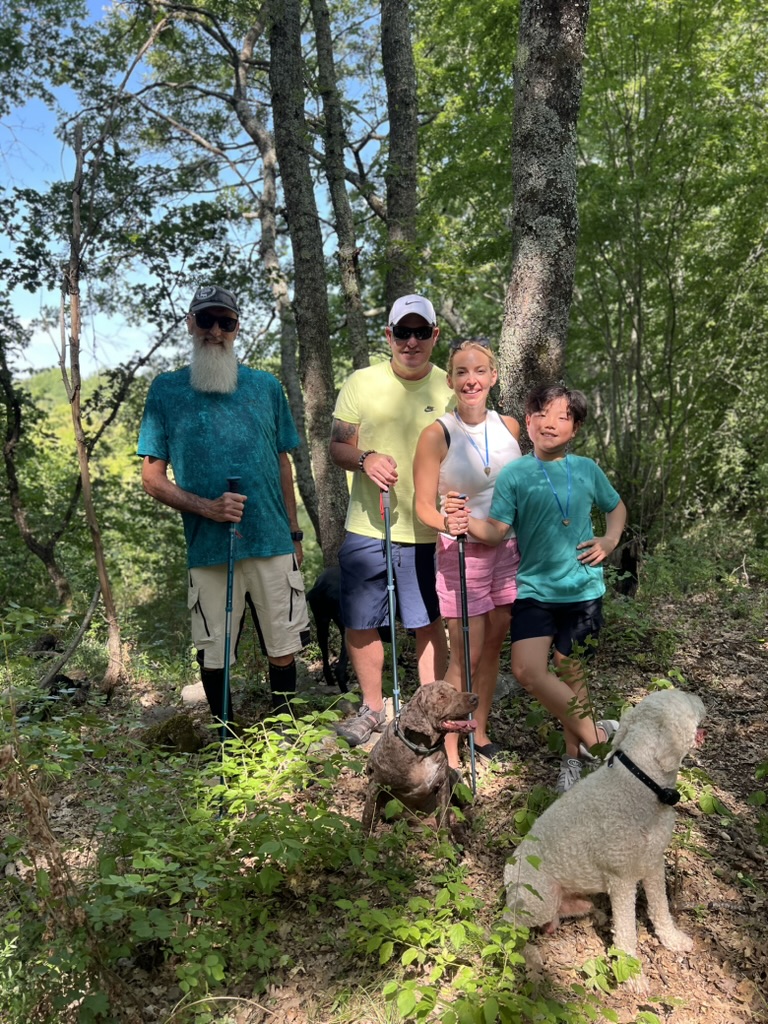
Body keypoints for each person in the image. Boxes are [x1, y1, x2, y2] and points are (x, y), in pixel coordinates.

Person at [137, 284, 310, 726]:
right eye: (206, 320)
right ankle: (226, 736)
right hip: (209, 547)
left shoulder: (265, 386)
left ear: (237, 328)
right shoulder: (166, 390)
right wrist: (207, 508)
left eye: (226, 322)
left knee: (284, 646)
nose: (215, 331)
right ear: (190, 324)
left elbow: (282, 462)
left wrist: (294, 533)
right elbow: (151, 479)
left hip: (272, 540)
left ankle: (284, 730)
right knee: (214, 653)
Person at [454, 384, 627, 793]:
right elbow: (495, 531)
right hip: (534, 590)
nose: (551, 423)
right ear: (528, 422)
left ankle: (573, 759)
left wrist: (609, 540)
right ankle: (598, 739)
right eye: (542, 414)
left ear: (575, 428)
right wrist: (462, 520)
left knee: (570, 672)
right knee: (527, 669)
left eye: (563, 417)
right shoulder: (515, 474)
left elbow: (615, 507)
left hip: (583, 590)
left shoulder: (586, 469)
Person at [330, 294, 453, 745]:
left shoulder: (452, 387)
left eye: (421, 332)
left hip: (429, 527)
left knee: (428, 621)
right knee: (361, 620)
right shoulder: (361, 383)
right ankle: (372, 708)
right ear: (388, 335)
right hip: (369, 525)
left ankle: (428, 713)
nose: (411, 341)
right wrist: (365, 458)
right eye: (403, 332)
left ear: (434, 336)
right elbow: (337, 448)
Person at [413, 338, 522, 770]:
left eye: (479, 371)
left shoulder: (510, 427)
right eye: (461, 372)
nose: (471, 380)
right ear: (451, 380)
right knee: (465, 655)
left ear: (493, 377)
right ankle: (449, 751)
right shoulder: (437, 434)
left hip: (508, 549)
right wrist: (448, 522)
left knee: (493, 646)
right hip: (463, 552)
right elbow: (423, 507)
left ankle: (480, 731)